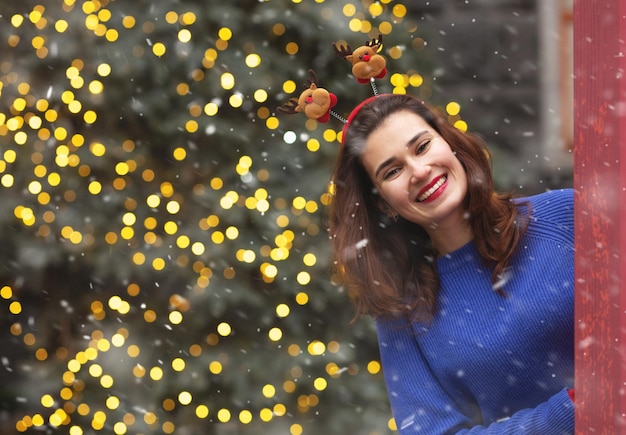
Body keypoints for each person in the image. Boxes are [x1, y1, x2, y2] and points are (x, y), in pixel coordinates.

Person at [328, 93, 574, 433]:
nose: (418, 171)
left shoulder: (565, 216)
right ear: (381, 202)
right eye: (393, 170)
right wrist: (569, 411)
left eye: (422, 147)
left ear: (449, 143)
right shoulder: (403, 309)